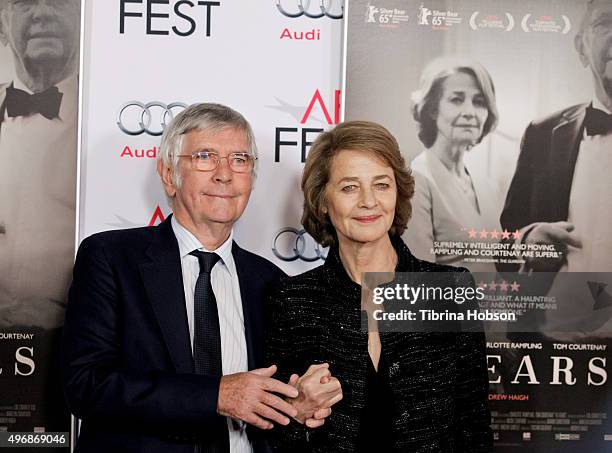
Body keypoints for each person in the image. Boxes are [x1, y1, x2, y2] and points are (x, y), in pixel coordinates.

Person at [62, 103, 342, 453]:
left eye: (240, 160)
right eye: (205, 157)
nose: (225, 174)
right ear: (168, 175)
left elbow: (271, 404)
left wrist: (294, 406)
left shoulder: (271, 282)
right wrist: (217, 395)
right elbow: (85, 386)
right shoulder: (111, 257)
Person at [266, 121, 492, 452]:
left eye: (382, 185)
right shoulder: (291, 299)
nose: (369, 202)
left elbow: (474, 425)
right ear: (322, 200)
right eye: (349, 187)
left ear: (398, 192)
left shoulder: (449, 288)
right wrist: (298, 413)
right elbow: (276, 437)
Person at [501, 0, 611, 274]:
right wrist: (525, 242)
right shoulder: (542, 134)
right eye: (604, 23)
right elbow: (504, 246)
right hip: (556, 315)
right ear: (581, 48)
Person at [0, 0, 80, 328]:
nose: (43, 13)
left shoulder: (110, 122)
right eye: (25, 2)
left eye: (60, 2)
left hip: (71, 343)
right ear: (3, 23)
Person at [403, 57, 500, 272]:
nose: (469, 112)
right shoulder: (415, 180)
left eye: (479, 101)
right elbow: (418, 279)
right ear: (432, 109)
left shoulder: (487, 184)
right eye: (456, 100)